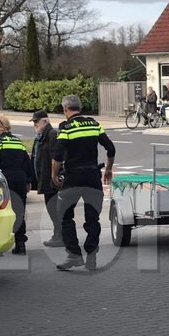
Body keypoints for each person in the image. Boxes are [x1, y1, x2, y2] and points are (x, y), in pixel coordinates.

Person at [51, 94, 115, 271]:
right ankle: (92, 256)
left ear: (65, 109)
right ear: (80, 107)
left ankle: (74, 255)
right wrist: (108, 169)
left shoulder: (66, 127)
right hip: (93, 177)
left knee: (64, 215)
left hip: (73, 178)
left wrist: (54, 175)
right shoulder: (94, 124)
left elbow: (57, 156)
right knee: (93, 218)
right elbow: (111, 148)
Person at [0, 114, 36, 255]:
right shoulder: (17, 142)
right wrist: (28, 180)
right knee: (18, 212)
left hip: (4, 181)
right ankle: (20, 244)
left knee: (0, 212)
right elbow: (27, 163)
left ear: (1, 127)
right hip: (19, 180)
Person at [30, 110, 62, 249]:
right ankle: (58, 234)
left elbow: (57, 157)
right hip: (45, 178)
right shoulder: (41, 136)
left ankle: (59, 235)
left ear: (45, 121)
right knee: (52, 208)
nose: (35, 125)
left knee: (54, 208)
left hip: (52, 179)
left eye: (36, 122)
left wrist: (55, 175)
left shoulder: (52, 135)